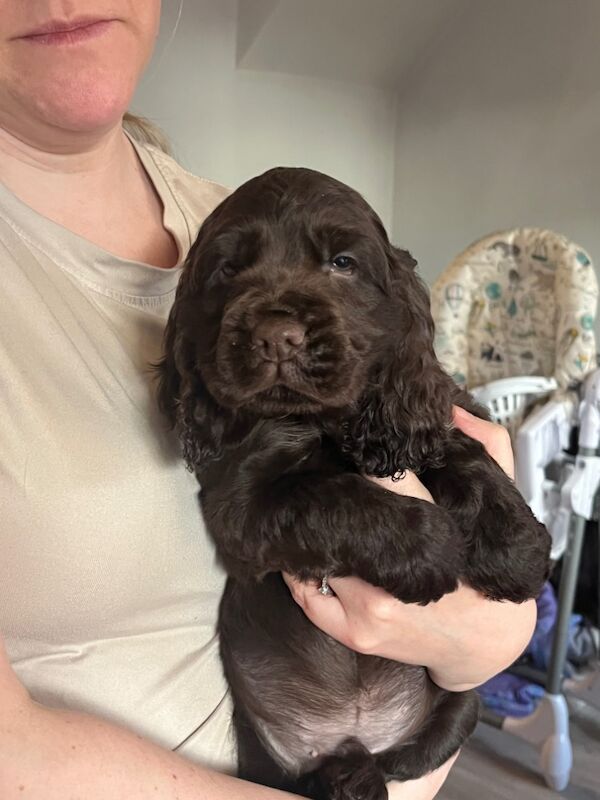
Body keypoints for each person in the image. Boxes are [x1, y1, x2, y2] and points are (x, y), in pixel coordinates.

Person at [0, 3, 537, 798]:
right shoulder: (211, 303)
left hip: (409, 749)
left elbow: (497, 611)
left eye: (339, 268)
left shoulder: (227, 214)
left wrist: (484, 633)